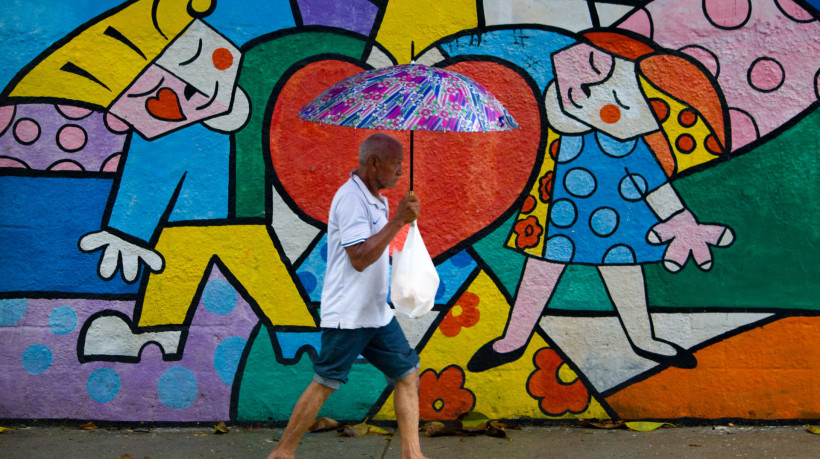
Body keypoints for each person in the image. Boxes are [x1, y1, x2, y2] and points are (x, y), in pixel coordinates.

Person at [269, 133, 426, 459]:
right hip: (349, 316)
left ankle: (412, 455)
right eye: (396, 164)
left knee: (407, 373)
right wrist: (398, 220)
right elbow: (359, 257)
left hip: (375, 312)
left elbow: (376, 249)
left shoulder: (376, 198)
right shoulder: (350, 199)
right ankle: (283, 452)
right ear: (374, 163)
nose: (401, 171)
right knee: (325, 381)